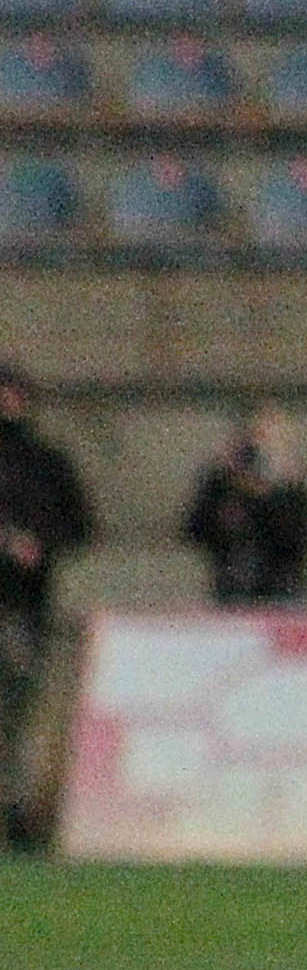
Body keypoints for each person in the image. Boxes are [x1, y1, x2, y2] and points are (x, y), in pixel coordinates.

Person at [0, 362, 94, 854]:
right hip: (17, 604)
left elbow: (79, 525)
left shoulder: (46, 463)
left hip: (23, 605)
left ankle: (21, 814)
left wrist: (38, 544)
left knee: (19, 716)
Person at [182, 405, 307, 610]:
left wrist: (279, 491)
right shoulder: (223, 484)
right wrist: (221, 481)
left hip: (286, 592)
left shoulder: (294, 489)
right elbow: (195, 531)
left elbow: (300, 541)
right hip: (232, 591)